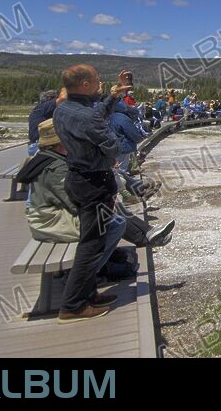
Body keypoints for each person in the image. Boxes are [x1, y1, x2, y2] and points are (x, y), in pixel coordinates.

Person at [15, 119, 174, 278]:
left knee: (108, 210)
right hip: (51, 222)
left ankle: (147, 235)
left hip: (49, 216)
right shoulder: (56, 168)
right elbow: (73, 201)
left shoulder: (48, 157)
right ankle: (85, 276)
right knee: (113, 222)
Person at [51, 64, 131, 323]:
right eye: (97, 80)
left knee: (92, 241)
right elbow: (112, 146)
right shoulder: (86, 116)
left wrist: (114, 97)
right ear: (85, 84)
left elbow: (97, 115)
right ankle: (73, 305)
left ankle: (88, 294)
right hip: (94, 184)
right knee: (92, 246)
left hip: (78, 179)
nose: (101, 84)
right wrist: (110, 152)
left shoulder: (63, 109)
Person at [27, 90, 59, 156]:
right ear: (51, 99)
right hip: (42, 146)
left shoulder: (38, 109)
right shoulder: (46, 106)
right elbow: (62, 99)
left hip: (33, 145)